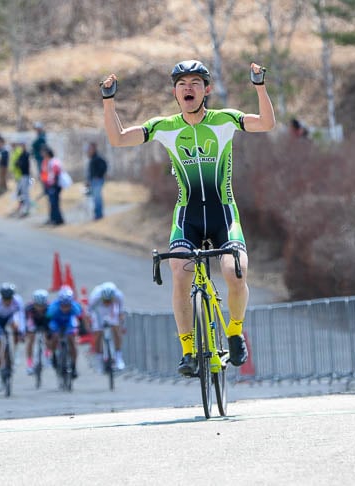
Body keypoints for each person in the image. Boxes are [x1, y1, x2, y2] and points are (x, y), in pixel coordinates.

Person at [100, 60, 275, 375]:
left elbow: (265, 123)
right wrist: (108, 102)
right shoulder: (165, 127)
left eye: (195, 83)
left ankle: (235, 331)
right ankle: (189, 350)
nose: (188, 88)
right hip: (187, 217)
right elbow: (119, 139)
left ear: (207, 90)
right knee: (179, 271)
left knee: (236, 272)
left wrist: (259, 87)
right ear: (175, 92)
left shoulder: (224, 120)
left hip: (224, 213)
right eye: (182, 84)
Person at [0, 282, 25, 391]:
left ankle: (15, 351)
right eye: (5, 299)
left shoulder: (17, 301)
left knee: (16, 327)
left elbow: (21, 316)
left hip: (10, 318)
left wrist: (21, 332)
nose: (7, 301)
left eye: (9, 298)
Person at [87, 281, 125, 371]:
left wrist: (120, 323)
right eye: (105, 300)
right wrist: (91, 324)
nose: (107, 302)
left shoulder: (118, 296)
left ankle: (118, 357)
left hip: (111, 310)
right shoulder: (96, 296)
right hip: (99, 310)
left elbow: (120, 312)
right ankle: (99, 360)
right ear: (102, 297)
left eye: (109, 300)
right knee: (97, 334)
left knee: (116, 330)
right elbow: (89, 311)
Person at [46, 286, 83, 379]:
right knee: (55, 336)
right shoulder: (53, 307)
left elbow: (80, 319)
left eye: (68, 305)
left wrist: (80, 330)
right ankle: (54, 355)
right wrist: (49, 332)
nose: (65, 308)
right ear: (60, 303)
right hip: (56, 322)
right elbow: (47, 320)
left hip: (68, 322)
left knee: (72, 341)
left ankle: (74, 366)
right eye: (63, 305)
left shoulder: (75, 307)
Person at [24, 289, 52, 375]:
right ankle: (29, 364)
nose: (40, 308)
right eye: (37, 306)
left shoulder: (50, 307)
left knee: (48, 336)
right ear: (34, 303)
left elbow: (51, 321)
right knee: (31, 339)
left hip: (45, 321)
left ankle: (47, 355)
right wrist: (26, 331)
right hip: (33, 322)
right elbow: (25, 321)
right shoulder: (28, 308)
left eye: (42, 306)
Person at [40, 146, 65, 226]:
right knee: (51, 203)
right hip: (48, 185)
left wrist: (54, 184)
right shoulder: (45, 162)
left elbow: (56, 173)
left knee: (54, 203)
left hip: (54, 185)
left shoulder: (54, 161)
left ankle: (57, 220)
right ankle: (52, 218)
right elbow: (44, 173)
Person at [86, 142, 108, 220]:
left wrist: (98, 176)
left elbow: (104, 167)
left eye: (90, 148)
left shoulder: (98, 158)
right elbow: (90, 172)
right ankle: (97, 214)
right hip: (92, 181)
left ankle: (99, 215)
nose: (89, 150)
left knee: (97, 198)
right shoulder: (91, 159)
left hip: (98, 181)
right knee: (94, 199)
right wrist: (88, 180)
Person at [11, 142, 31, 218]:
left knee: (25, 193)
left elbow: (23, 164)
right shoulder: (21, 154)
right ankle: (24, 207)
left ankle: (27, 208)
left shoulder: (26, 154)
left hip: (26, 175)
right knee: (22, 193)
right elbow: (16, 163)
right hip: (21, 176)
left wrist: (19, 163)